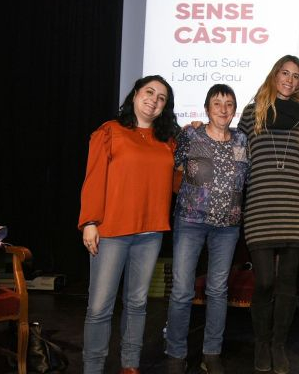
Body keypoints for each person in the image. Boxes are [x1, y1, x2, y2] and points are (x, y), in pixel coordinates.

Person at [78, 75, 180, 374]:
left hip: (150, 233)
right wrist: (90, 222)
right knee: (100, 307)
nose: (154, 100)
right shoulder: (110, 131)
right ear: (135, 94)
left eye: (161, 98)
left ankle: (130, 365)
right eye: (149, 92)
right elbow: (94, 178)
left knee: (137, 304)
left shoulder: (167, 141)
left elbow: (175, 184)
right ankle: (93, 368)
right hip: (111, 232)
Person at [237, 55, 299, 374]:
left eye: (296, 76)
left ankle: (278, 345)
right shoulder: (252, 112)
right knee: (265, 282)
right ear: (274, 75)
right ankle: (261, 342)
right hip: (260, 208)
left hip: (293, 208)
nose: (289, 80)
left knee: (287, 284)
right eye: (285, 73)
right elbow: (235, 152)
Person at [165, 84, 249, 374]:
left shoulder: (242, 140)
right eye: (217, 103)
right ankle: (175, 354)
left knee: (217, 290)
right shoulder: (191, 135)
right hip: (190, 222)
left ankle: (211, 353)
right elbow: (167, 165)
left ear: (235, 109)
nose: (223, 109)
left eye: (229, 104)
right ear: (206, 109)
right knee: (181, 291)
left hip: (227, 227)